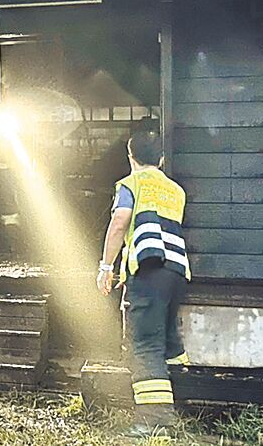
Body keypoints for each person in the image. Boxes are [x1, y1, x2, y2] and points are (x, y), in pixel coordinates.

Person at [96, 130, 191, 438]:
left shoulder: (129, 184)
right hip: (176, 272)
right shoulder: (176, 190)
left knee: (145, 345)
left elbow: (120, 222)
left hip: (148, 270)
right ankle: (186, 404)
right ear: (162, 159)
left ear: (130, 156)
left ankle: (155, 422)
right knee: (170, 343)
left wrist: (106, 267)